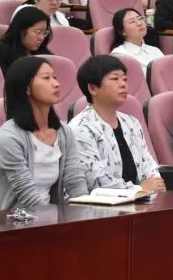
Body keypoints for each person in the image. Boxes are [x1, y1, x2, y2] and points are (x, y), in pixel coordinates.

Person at [0, 56, 89, 212]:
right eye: (46, 78)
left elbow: (75, 181)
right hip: (9, 220)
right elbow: (27, 196)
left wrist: (86, 214)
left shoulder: (64, 132)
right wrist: (58, 222)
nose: (56, 83)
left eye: (55, 77)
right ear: (26, 87)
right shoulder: (9, 137)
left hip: (47, 218)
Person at [70, 55, 165, 192]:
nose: (123, 84)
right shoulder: (80, 127)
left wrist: (157, 185)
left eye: (124, 79)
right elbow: (95, 181)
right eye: (115, 79)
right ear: (93, 88)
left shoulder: (131, 122)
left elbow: (148, 164)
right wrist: (139, 189)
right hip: (101, 203)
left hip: (142, 198)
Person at [0, 6, 52, 75]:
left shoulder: (43, 53)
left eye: (44, 33)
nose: (41, 38)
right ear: (21, 30)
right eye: (37, 32)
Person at [109, 7, 164, 72]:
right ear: (122, 31)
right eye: (132, 22)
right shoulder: (119, 54)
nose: (139, 23)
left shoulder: (155, 50)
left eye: (140, 19)